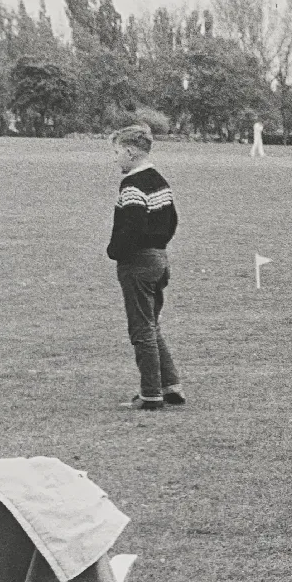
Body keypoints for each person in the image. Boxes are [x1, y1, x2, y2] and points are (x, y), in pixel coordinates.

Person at [106, 125, 185, 410]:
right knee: (152, 325)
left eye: (117, 152)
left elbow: (132, 227)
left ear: (129, 151)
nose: (115, 158)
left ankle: (151, 394)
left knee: (141, 330)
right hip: (159, 259)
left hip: (138, 263)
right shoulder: (160, 180)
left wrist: (114, 252)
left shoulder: (132, 185)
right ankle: (171, 385)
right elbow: (172, 221)